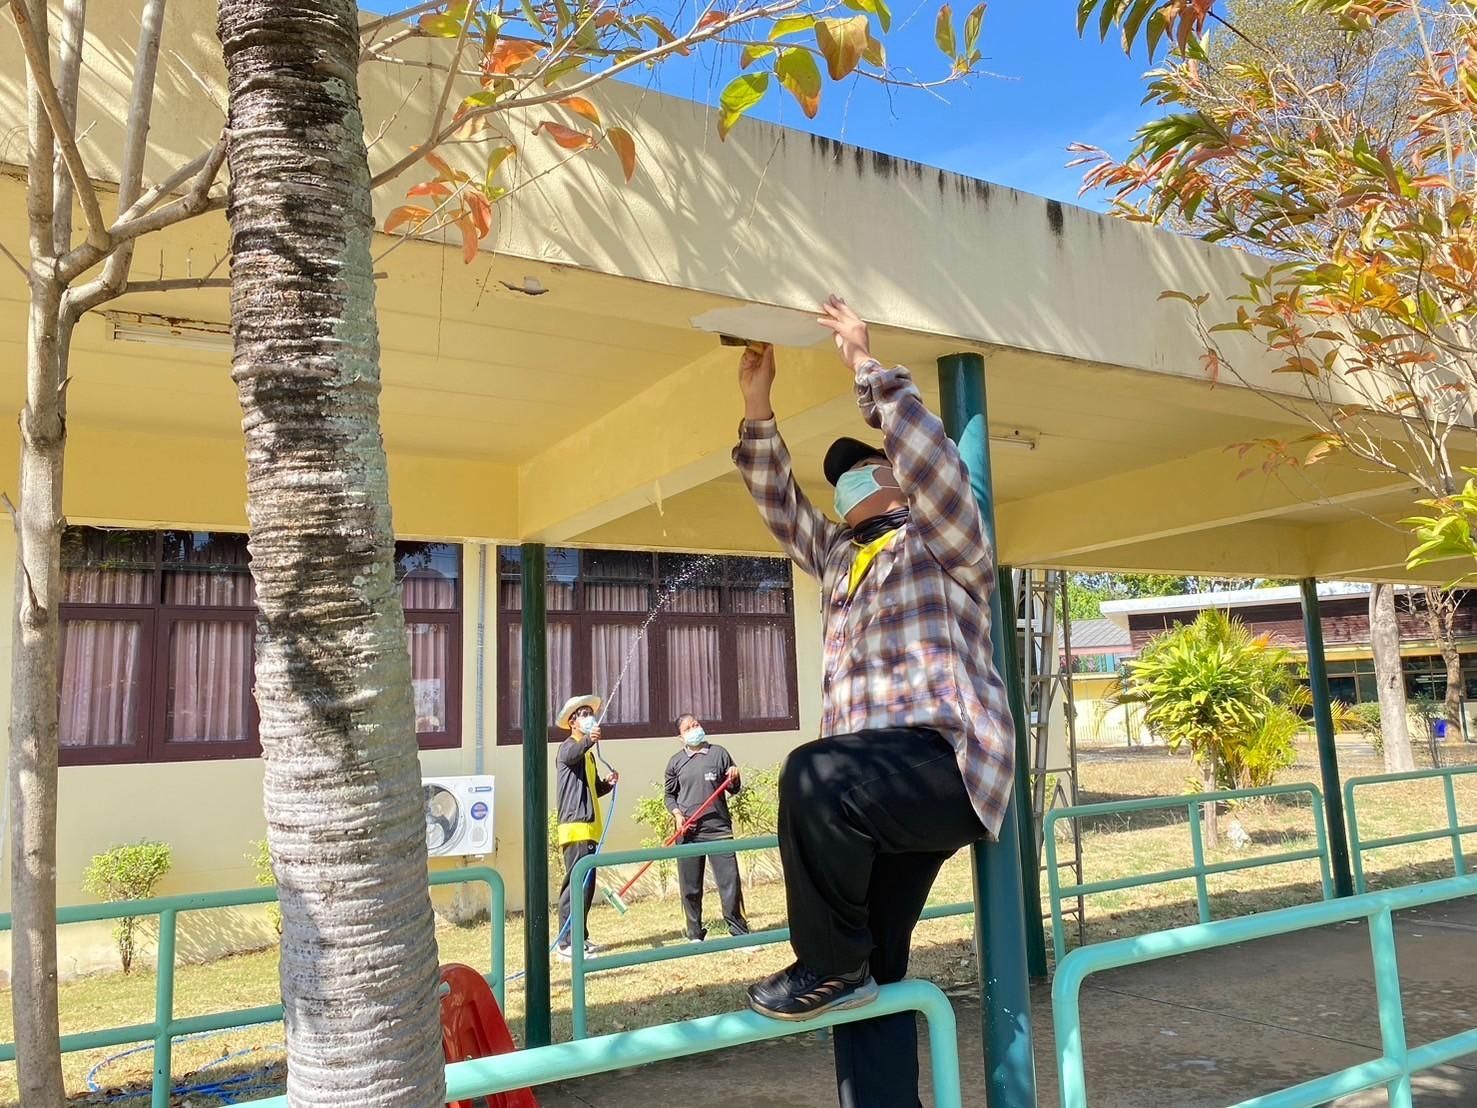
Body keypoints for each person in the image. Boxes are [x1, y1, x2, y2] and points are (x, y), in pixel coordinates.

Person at [730, 297, 1013, 1108]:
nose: (851, 481)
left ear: (894, 480)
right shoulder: (838, 560)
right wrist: (756, 403)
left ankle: (825, 965)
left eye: (864, 467)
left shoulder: (945, 540)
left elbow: (932, 464)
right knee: (867, 966)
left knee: (812, 775)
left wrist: (864, 364)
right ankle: (861, 1037)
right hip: (872, 797)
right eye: (841, 478)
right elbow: (778, 502)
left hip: (943, 763)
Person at [664, 713, 748, 943]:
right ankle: (694, 934)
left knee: (730, 883)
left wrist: (734, 778)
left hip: (719, 830)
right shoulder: (675, 762)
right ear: (680, 737)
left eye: (696, 724)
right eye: (688, 728)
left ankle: (739, 933)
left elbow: (733, 788)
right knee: (690, 887)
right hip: (689, 833)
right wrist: (677, 814)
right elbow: (669, 796)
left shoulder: (719, 753)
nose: (694, 729)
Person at [553, 693, 618, 961]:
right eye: (583, 715)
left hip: (590, 828)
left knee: (587, 888)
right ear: (572, 722)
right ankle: (566, 943)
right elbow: (573, 754)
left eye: (590, 714)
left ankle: (580, 937)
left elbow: (592, 788)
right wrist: (589, 740)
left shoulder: (587, 756)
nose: (589, 718)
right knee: (575, 886)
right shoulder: (569, 747)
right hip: (575, 828)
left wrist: (607, 784)